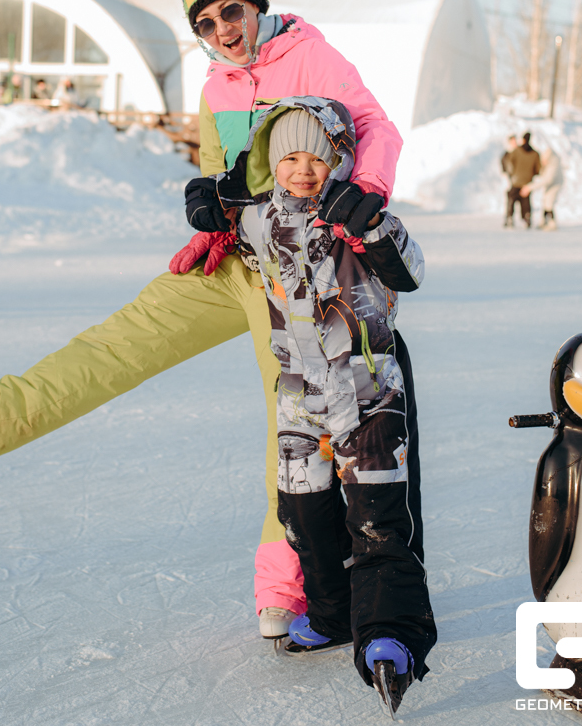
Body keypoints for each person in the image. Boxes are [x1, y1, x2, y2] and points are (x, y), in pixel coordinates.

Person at [0, 0, 403, 642]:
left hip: (304, 275)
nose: (223, 29)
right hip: (237, 258)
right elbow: (225, 175)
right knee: (130, 334)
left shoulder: (311, 58)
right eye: (205, 23)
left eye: (231, 11)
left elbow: (376, 127)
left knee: (297, 423)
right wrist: (210, 209)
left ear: (255, 6)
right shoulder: (217, 88)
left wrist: (368, 190)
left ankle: (288, 587)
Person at [225, 98, 435, 715]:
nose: (303, 170)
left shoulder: (360, 216)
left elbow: (411, 272)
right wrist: (210, 205)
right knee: (304, 518)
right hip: (298, 400)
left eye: (317, 158)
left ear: (338, 160)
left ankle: (390, 633)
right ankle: (332, 612)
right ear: (272, 162)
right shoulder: (258, 220)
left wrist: (374, 226)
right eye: (289, 158)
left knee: (378, 521)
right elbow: (226, 225)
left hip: (369, 395)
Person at [520, 147, 563, 230]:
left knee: (549, 203)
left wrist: (529, 187)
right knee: (545, 201)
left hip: (555, 184)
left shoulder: (553, 165)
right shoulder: (549, 163)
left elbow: (547, 180)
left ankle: (551, 222)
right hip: (550, 184)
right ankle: (544, 221)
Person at [505, 132, 540, 229]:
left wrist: (512, 174)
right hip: (527, 182)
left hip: (516, 180)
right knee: (525, 201)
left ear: (523, 140)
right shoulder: (535, 154)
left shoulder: (517, 151)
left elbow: (509, 162)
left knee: (511, 198)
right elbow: (537, 169)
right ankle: (527, 217)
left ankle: (509, 217)